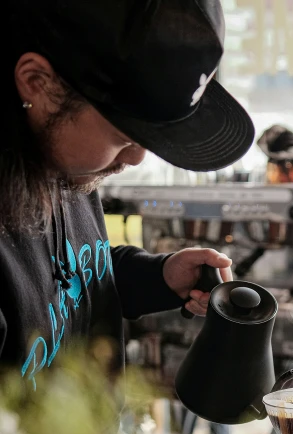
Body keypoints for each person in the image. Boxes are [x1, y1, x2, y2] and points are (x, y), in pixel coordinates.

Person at [0, 0, 254, 387]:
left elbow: (63, 277)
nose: (135, 158)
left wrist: (157, 277)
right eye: (123, 138)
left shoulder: (59, 156)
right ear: (38, 83)